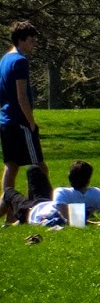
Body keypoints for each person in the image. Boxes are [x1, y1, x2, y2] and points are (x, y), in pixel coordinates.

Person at [1, 21, 47, 196]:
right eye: (31, 40)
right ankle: (36, 205)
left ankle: (9, 208)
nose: (34, 44)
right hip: (20, 121)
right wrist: (31, 122)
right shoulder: (20, 61)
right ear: (21, 40)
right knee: (39, 167)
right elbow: (22, 96)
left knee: (11, 166)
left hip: (5, 121)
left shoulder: (5, 59)